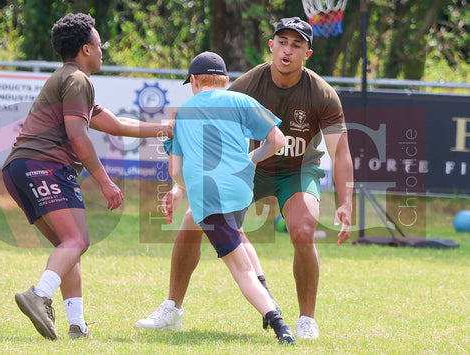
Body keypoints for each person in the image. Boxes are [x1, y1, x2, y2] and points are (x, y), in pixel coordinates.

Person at [135, 17, 353, 340]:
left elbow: (341, 152)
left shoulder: (322, 93)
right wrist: (179, 189)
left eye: (296, 45)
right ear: (271, 46)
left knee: (304, 231)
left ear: (307, 53)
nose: (287, 51)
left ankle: (307, 319)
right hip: (247, 169)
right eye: (282, 43)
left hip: (296, 170)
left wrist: (346, 202)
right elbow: (203, 141)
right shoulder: (247, 86)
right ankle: (172, 308)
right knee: (193, 218)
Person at [2, 13, 173, 340]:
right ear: (85, 49)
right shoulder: (79, 80)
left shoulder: (70, 81)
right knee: (77, 241)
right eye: (98, 45)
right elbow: (78, 135)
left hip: (20, 168)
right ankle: (38, 295)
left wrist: (165, 128)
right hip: (44, 165)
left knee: (69, 247)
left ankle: (78, 327)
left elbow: (118, 124)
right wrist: (105, 182)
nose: (101, 50)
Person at [145, 51, 294, 344]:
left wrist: (183, 187)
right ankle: (264, 292)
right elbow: (277, 140)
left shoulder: (181, 113)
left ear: (194, 81)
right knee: (236, 233)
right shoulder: (241, 100)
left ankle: (277, 321)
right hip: (240, 189)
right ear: (225, 81)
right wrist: (248, 160)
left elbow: (176, 172)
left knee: (240, 270)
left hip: (209, 197)